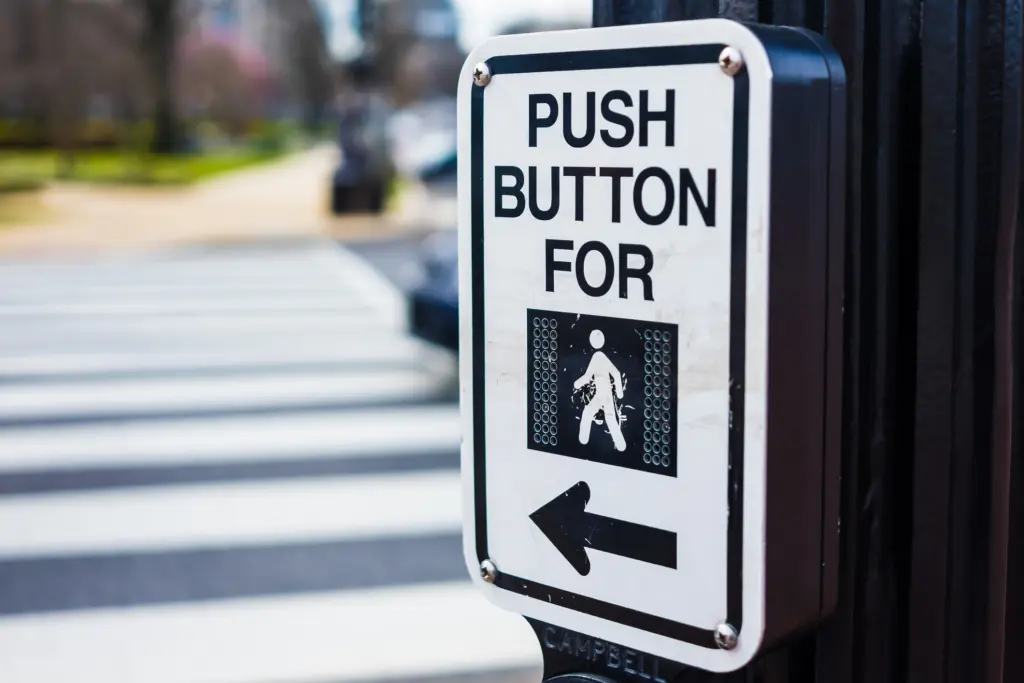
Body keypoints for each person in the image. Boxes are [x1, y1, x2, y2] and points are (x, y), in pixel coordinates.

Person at [573, 329, 626, 451]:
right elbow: (616, 373)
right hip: (603, 394)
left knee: (590, 413)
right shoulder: (600, 357)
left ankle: (584, 439)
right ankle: (620, 444)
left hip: (601, 395)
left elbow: (587, 376)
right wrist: (619, 392)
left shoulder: (597, 357)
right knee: (609, 417)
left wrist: (577, 384)